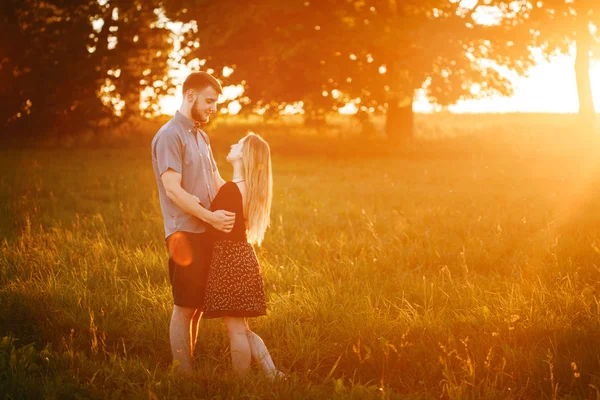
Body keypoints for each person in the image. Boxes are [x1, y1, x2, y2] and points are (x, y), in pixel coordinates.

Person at [151, 71, 236, 375]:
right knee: (184, 307)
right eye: (209, 100)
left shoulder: (201, 136)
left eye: (215, 102)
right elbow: (173, 189)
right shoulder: (169, 135)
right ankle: (183, 376)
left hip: (207, 231)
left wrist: (242, 200)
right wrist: (211, 216)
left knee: (197, 307)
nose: (214, 107)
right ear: (190, 96)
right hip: (184, 234)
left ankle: (190, 366)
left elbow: (217, 181)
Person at [202, 133, 285, 379]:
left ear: (244, 154)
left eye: (237, 144)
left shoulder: (231, 190)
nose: (232, 144)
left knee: (235, 329)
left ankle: (241, 382)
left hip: (229, 261)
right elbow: (224, 187)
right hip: (244, 259)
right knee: (243, 327)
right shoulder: (246, 187)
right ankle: (273, 375)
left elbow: (210, 223)